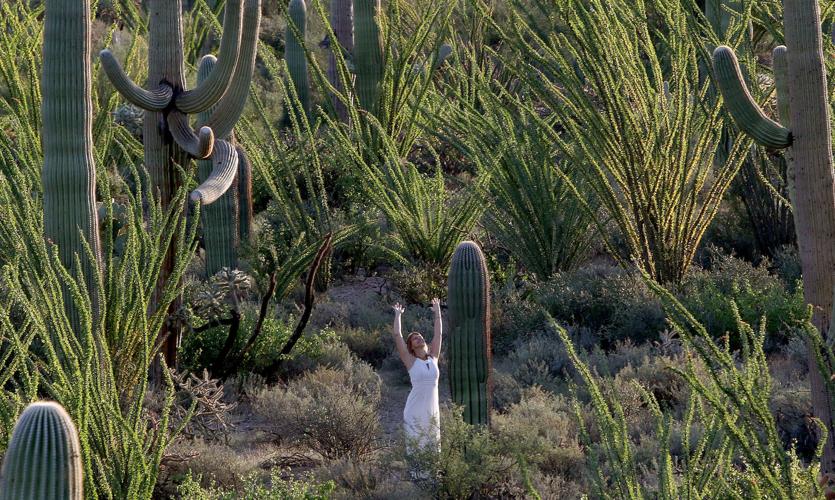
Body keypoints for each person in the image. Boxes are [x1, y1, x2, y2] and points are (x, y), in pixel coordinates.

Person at [391, 298, 442, 475]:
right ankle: (418, 479)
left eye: (419, 336)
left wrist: (437, 312)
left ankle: (433, 480)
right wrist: (398, 315)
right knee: (417, 444)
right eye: (414, 339)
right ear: (411, 346)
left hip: (432, 410)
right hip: (415, 411)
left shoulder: (433, 357)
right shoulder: (411, 361)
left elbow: (438, 335)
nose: (418, 338)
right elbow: (397, 336)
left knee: (433, 444)